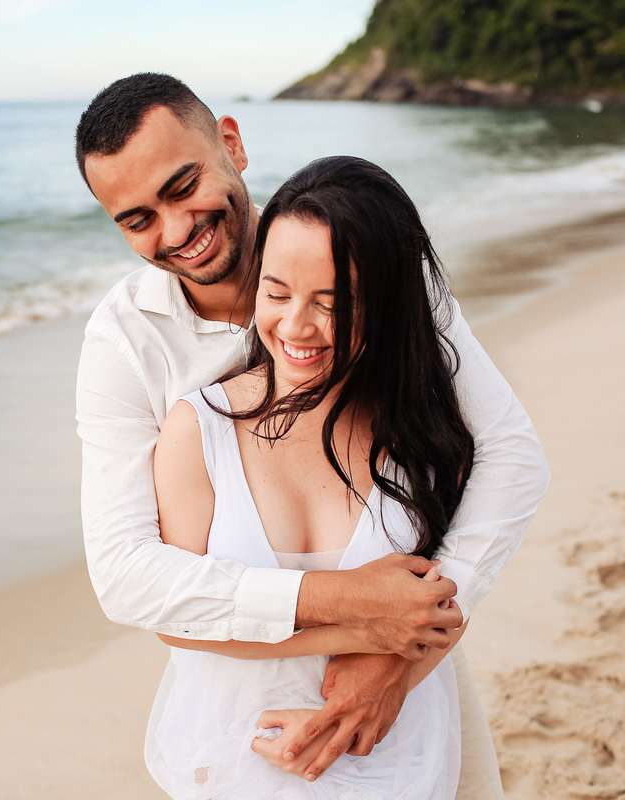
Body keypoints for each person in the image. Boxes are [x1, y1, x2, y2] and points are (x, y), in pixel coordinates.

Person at [75, 73, 548, 793]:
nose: (175, 232)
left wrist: (399, 656)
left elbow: (509, 452)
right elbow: (126, 576)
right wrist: (352, 607)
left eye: (183, 187)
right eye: (137, 219)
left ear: (231, 144)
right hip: (243, 702)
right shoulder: (124, 344)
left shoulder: (371, 255)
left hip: (414, 665)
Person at [148, 154, 472, 799]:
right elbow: (178, 618)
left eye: (333, 303)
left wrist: (389, 669)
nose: (296, 327)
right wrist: (367, 629)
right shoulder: (200, 430)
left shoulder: (425, 435)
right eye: (276, 294)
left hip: (394, 753)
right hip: (235, 754)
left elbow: (447, 602)